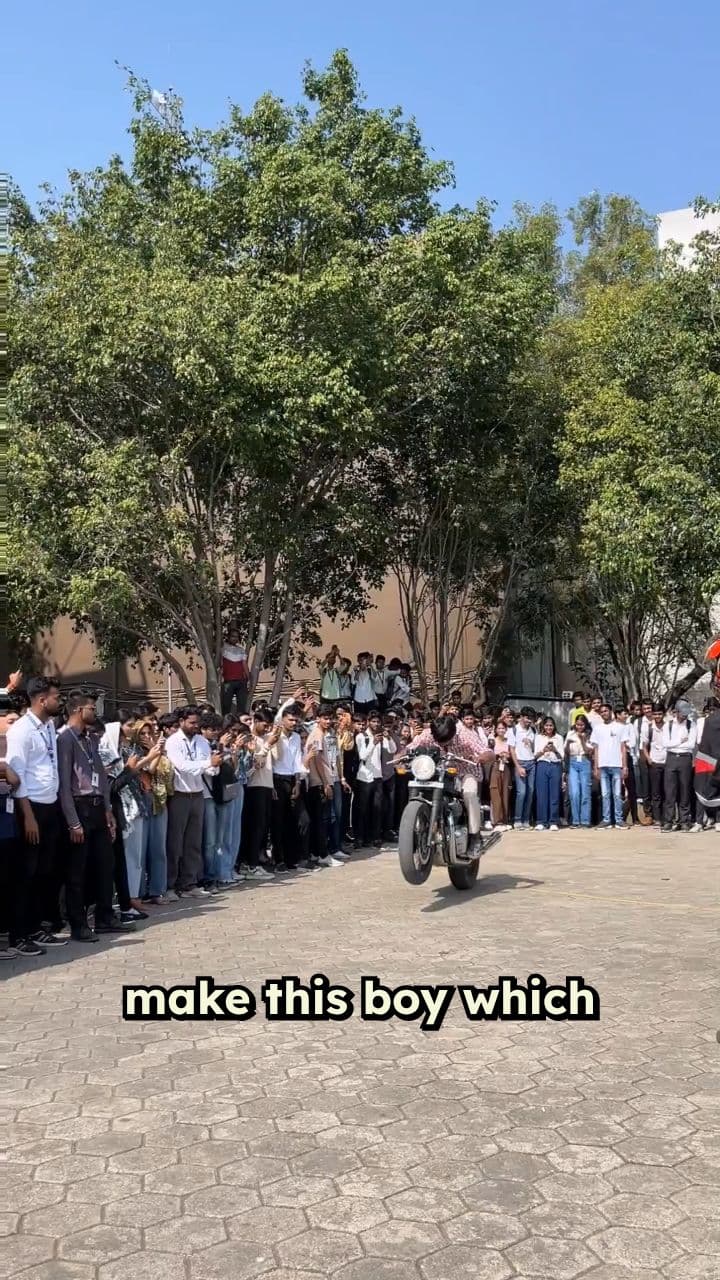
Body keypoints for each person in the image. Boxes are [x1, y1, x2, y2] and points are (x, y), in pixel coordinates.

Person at [58, 692, 135, 941]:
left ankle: (105, 917)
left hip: (97, 806)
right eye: (92, 708)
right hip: (79, 807)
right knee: (77, 870)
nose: (96, 712)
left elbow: (100, 777)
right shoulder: (65, 739)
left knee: (105, 864)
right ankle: (78, 924)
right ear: (79, 710)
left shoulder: (91, 739)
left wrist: (107, 810)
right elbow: (64, 783)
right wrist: (72, 821)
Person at [6, 676, 65, 954]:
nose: (60, 700)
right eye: (56, 696)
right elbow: (18, 777)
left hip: (50, 805)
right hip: (31, 809)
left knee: (45, 873)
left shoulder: (49, 726)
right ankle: (19, 935)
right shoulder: (21, 731)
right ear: (42, 699)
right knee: (25, 874)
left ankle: (36, 927)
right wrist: (28, 816)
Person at [405, 714, 487, 854]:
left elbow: (488, 752)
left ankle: (475, 837)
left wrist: (479, 757)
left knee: (469, 793)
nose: (442, 744)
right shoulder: (428, 734)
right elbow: (410, 747)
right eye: (439, 741)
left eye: (445, 741)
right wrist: (401, 756)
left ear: (454, 733)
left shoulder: (465, 735)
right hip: (438, 772)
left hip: (465, 772)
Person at [165, 706, 222, 899]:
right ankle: (170, 885)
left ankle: (189, 884)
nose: (195, 726)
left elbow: (208, 766)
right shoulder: (173, 742)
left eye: (197, 722)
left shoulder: (201, 741)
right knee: (175, 843)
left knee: (194, 843)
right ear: (181, 722)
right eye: (192, 723)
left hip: (198, 794)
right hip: (179, 795)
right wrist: (208, 764)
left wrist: (214, 767)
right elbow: (181, 766)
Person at [134, 718, 174, 903]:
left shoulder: (159, 753)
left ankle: (157, 890)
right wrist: (153, 752)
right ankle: (139, 892)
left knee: (158, 848)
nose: (146, 737)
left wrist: (157, 752)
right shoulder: (133, 752)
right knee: (140, 850)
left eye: (149, 733)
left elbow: (165, 771)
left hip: (158, 799)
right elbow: (147, 767)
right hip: (139, 801)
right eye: (142, 733)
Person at [304, 705, 344, 868]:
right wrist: (326, 783)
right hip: (319, 781)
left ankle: (317, 852)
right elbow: (318, 760)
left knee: (322, 819)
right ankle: (323, 854)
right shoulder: (317, 735)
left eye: (330, 718)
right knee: (321, 820)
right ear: (318, 718)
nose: (328, 721)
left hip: (322, 780)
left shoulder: (323, 734)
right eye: (325, 718)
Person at [239, 709, 276, 879]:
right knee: (254, 827)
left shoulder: (265, 739)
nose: (267, 728)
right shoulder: (251, 740)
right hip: (254, 787)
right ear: (255, 721)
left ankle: (254, 862)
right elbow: (256, 763)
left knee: (263, 827)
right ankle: (250, 864)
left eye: (269, 725)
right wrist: (268, 745)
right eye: (264, 725)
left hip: (266, 785)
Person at [269, 702, 305, 872]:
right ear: (282, 719)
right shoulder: (274, 736)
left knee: (293, 821)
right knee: (278, 822)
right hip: (276, 780)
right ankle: (279, 860)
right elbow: (270, 761)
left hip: (292, 779)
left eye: (296, 720)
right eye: (290, 720)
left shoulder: (297, 737)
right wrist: (272, 786)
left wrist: (298, 782)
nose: (293, 723)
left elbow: (298, 760)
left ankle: (292, 859)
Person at [591, 704, 628, 829]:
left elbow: (623, 747)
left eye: (606, 711)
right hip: (603, 765)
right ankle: (606, 819)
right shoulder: (597, 728)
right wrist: (596, 766)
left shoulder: (620, 727)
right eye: (601, 712)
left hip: (616, 764)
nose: (604, 713)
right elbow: (595, 748)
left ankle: (619, 819)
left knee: (617, 794)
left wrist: (625, 765)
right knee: (605, 794)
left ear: (611, 711)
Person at [661, 699, 696, 832]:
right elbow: (665, 743)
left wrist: (674, 743)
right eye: (682, 714)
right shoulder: (668, 725)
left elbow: (691, 744)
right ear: (676, 712)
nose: (684, 716)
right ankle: (669, 821)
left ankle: (684, 820)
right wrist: (680, 740)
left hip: (685, 758)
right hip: (671, 758)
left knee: (685, 790)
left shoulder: (691, 725)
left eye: (686, 714)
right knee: (670, 791)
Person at [355, 712, 385, 848]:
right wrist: (373, 743)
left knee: (377, 809)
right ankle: (360, 837)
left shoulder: (381, 736)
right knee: (363, 809)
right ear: (368, 722)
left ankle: (375, 837)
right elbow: (362, 756)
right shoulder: (362, 737)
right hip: (365, 776)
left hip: (378, 776)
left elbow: (392, 749)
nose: (376, 724)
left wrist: (388, 738)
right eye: (373, 721)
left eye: (378, 722)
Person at [534, 716, 564, 830]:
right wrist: (544, 750)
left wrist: (555, 750)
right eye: (546, 725)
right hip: (542, 764)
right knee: (541, 794)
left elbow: (562, 756)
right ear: (543, 726)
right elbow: (535, 755)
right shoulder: (539, 737)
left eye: (551, 725)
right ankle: (541, 821)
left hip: (555, 765)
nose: (548, 727)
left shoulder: (559, 738)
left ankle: (553, 821)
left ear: (554, 726)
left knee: (554, 794)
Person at [509, 707, 536, 830]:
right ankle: (517, 819)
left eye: (531, 719)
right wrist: (518, 766)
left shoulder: (533, 730)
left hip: (531, 762)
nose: (529, 721)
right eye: (527, 718)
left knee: (530, 792)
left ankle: (526, 819)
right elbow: (512, 750)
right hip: (520, 762)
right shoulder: (514, 730)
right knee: (521, 792)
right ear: (521, 717)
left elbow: (534, 747)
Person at [564, 713, 594, 828]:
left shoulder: (589, 735)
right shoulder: (570, 734)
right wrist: (567, 743)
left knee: (585, 792)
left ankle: (585, 820)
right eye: (577, 725)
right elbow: (566, 751)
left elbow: (589, 751)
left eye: (582, 725)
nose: (579, 727)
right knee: (574, 792)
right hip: (572, 761)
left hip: (585, 761)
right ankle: (576, 820)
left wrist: (582, 740)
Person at [641, 703, 667, 827]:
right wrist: (648, 759)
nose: (657, 716)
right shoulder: (648, 727)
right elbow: (644, 746)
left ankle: (667, 817)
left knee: (667, 791)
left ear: (663, 714)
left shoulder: (668, 726)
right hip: (655, 762)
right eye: (655, 714)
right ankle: (657, 818)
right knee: (655, 792)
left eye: (660, 713)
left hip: (667, 762)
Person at [489, 720, 512, 830]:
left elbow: (512, 755)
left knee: (505, 792)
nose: (501, 730)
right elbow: (488, 754)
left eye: (503, 728)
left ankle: (504, 819)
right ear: (496, 730)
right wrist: (498, 755)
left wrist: (507, 756)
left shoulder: (508, 741)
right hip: (495, 766)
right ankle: (496, 821)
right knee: (495, 792)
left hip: (506, 767)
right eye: (499, 728)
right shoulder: (492, 740)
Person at [221, 629, 250, 714]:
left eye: (237, 637)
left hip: (241, 681)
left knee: (241, 706)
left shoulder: (241, 650)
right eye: (233, 636)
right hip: (228, 681)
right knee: (226, 705)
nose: (235, 638)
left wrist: (248, 679)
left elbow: (244, 665)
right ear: (228, 637)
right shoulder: (222, 647)